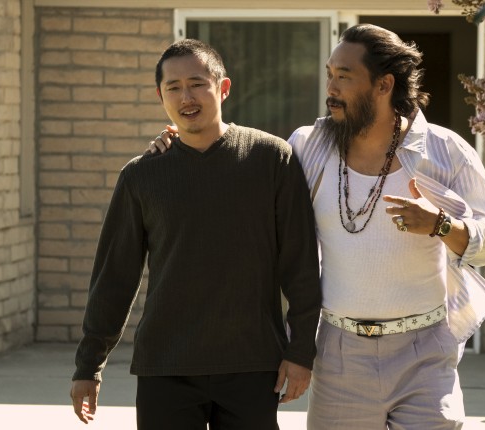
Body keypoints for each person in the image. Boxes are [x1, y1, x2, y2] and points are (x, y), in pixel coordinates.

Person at [149, 24, 485, 430]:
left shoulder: (445, 151)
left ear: (383, 85)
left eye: (344, 76)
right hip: (339, 354)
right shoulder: (309, 147)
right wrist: (180, 146)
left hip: (424, 352)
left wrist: (441, 225)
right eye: (329, 74)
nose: (331, 88)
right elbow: (244, 184)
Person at [70, 39, 321, 430]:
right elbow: (114, 278)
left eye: (197, 84)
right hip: (166, 367)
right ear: (161, 96)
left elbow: (301, 265)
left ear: (223, 88)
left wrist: (301, 351)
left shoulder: (271, 159)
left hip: (252, 365)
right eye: (173, 87)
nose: (186, 97)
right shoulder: (141, 176)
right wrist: (89, 365)